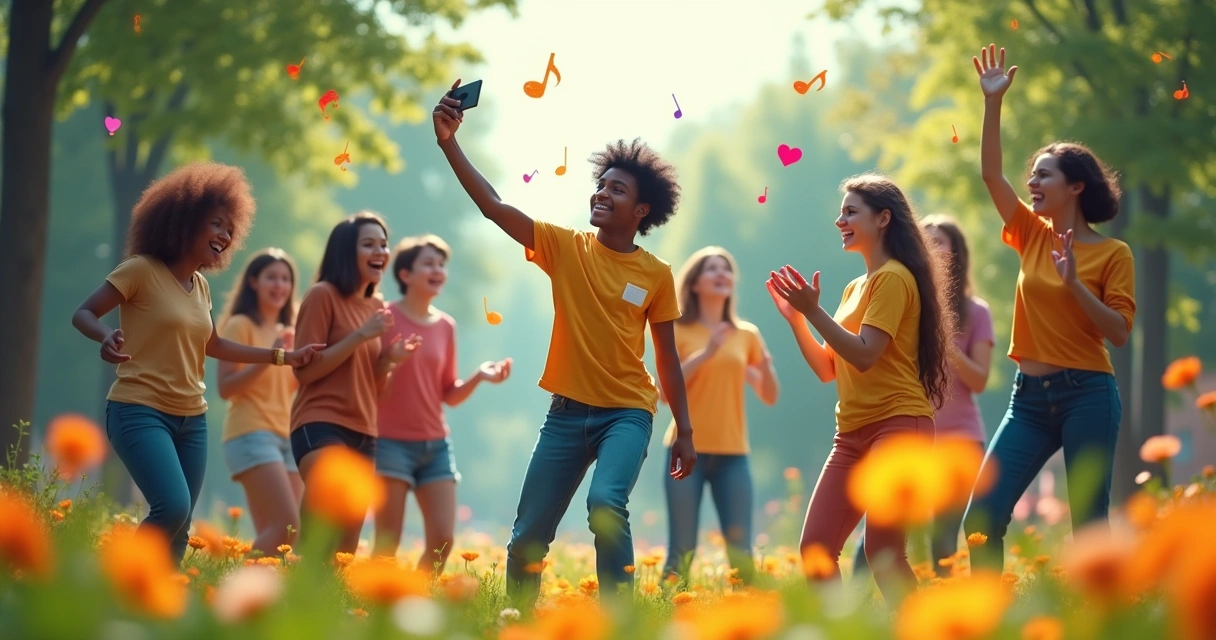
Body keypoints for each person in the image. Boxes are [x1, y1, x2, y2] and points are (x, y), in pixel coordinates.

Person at [432, 79, 698, 608]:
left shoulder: (656, 274)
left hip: (626, 412)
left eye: (617, 190)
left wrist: (684, 430)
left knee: (605, 503)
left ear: (642, 211)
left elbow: (666, 355)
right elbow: (493, 206)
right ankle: (518, 620)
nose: (602, 193)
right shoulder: (564, 247)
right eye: (601, 186)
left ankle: (619, 618)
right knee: (527, 537)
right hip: (566, 414)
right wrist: (448, 143)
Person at [71, 163, 322, 564]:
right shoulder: (140, 271)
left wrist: (282, 356)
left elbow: (215, 344)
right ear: (184, 222)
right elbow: (84, 313)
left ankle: (158, 607)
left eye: (229, 228)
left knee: (181, 525)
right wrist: (105, 336)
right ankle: (116, 579)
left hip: (192, 419)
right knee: (170, 507)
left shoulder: (201, 285)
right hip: (138, 410)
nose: (224, 235)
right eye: (216, 224)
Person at [963, 44, 1135, 572]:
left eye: (1044, 176)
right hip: (1029, 400)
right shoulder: (1030, 236)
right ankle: (985, 619)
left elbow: (1120, 333)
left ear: (1076, 186)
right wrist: (992, 103)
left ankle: (1101, 623)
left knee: (1088, 524)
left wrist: (1076, 285)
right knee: (980, 521)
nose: (1032, 184)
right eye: (1032, 176)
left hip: (1087, 394)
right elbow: (992, 176)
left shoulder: (1112, 254)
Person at [767, 173, 952, 606]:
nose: (840, 220)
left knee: (884, 553)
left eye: (851, 212)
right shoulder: (855, 287)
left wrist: (813, 312)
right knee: (816, 551)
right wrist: (798, 320)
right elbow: (829, 368)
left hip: (898, 426)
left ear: (883, 218)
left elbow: (866, 353)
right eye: (840, 212)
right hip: (851, 433)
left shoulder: (894, 277)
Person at [851, 215, 994, 580]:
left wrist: (944, 339)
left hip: (958, 443)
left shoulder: (977, 312)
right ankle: (855, 614)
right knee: (874, 537)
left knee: (943, 539)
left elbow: (979, 380)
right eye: (924, 239)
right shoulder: (902, 296)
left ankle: (944, 619)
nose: (931, 246)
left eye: (940, 241)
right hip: (907, 435)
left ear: (956, 253)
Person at [372, 234, 512, 572]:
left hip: (435, 445)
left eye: (442, 265)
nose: (438, 270)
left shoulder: (446, 326)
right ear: (405, 274)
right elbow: (370, 383)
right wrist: (390, 360)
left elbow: (448, 394)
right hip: (389, 444)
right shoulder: (384, 317)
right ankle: (370, 612)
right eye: (429, 263)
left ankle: (415, 599)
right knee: (386, 544)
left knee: (443, 540)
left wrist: (479, 376)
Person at [290, 212, 422, 554]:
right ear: (346, 252)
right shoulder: (323, 296)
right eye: (368, 244)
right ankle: (295, 597)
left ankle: (328, 607)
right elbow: (304, 372)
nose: (380, 251)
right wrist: (361, 336)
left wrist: (389, 360)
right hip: (319, 423)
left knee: (346, 548)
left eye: (383, 244)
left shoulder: (376, 306)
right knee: (321, 530)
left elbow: (374, 387)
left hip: (364, 431)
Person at [660, 247, 779, 584]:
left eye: (726, 270)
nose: (721, 274)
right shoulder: (677, 330)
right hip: (685, 453)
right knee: (681, 550)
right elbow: (662, 393)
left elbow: (769, 396)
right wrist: (707, 352)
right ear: (695, 283)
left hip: (733, 456)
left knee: (741, 552)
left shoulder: (746, 334)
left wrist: (766, 366)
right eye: (712, 269)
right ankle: (661, 621)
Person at [216, 248, 304, 557]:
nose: (280, 286)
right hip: (250, 433)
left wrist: (297, 360)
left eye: (285, 279)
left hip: (288, 438)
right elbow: (225, 388)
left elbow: (292, 387)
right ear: (254, 281)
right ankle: (235, 588)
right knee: (286, 526)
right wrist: (272, 356)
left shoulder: (288, 332)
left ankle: (264, 598)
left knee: (284, 536)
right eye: (272, 278)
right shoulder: (240, 325)